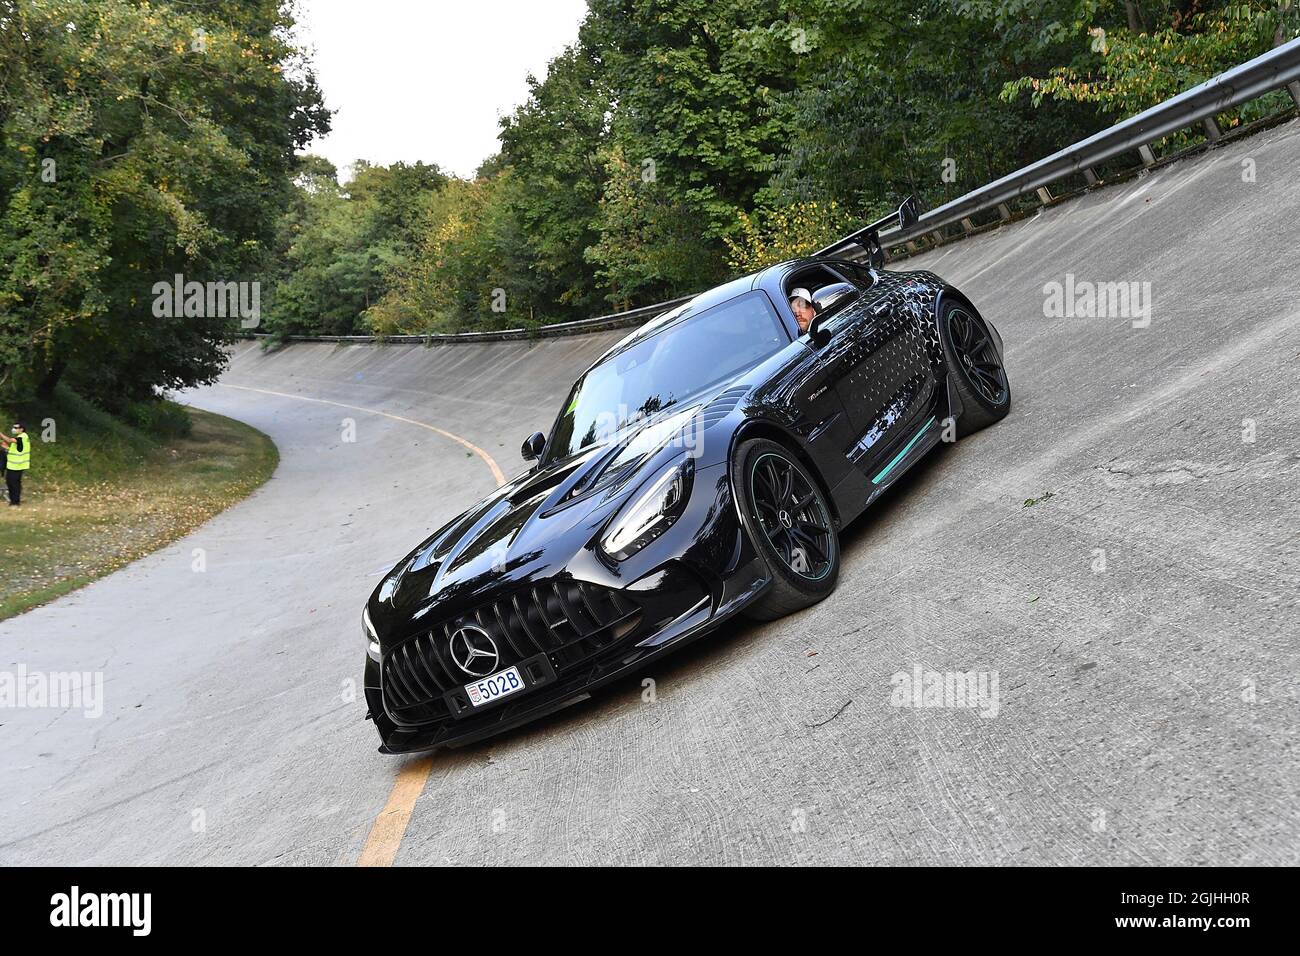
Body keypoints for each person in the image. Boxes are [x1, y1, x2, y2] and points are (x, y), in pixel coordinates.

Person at [1, 421, 30, 506]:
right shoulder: (21, 438)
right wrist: (6, 448)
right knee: (12, 483)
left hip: (17, 465)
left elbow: (10, 440)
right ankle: (14, 501)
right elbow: (17, 449)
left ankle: (15, 502)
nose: (13, 429)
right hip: (14, 465)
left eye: (16, 428)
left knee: (13, 484)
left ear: (21, 429)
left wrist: (1, 434)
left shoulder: (22, 437)